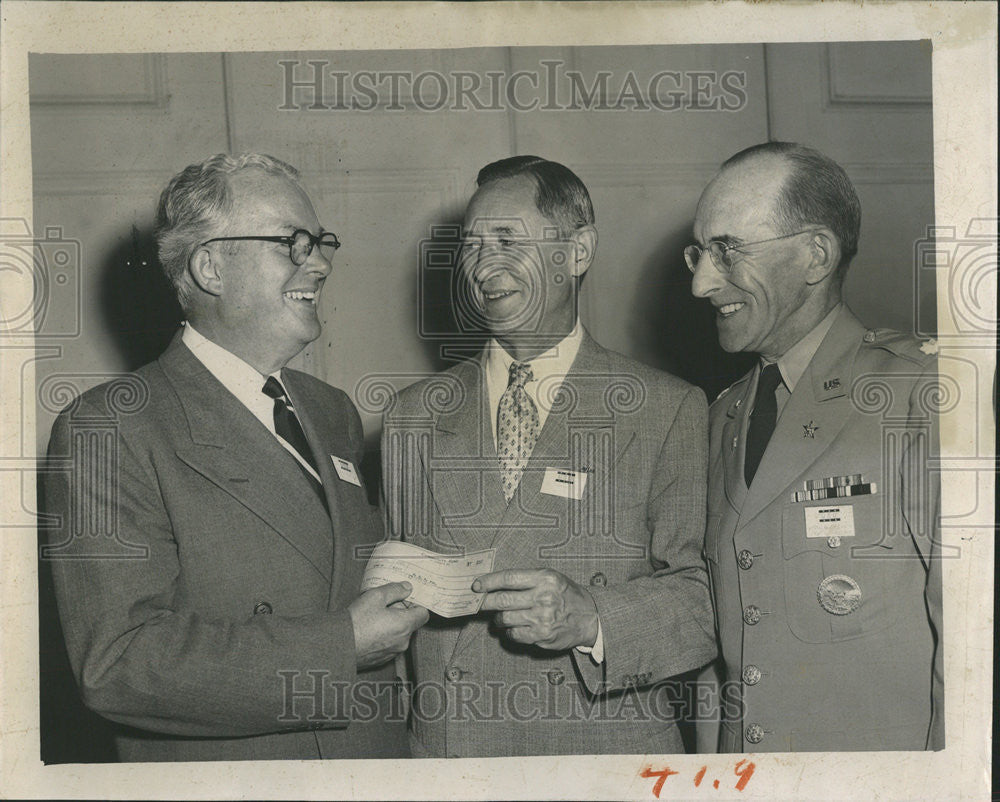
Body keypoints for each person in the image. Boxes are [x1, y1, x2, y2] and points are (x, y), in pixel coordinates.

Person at [42, 153, 428, 761]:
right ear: (211, 267)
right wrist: (341, 645)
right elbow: (116, 664)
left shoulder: (333, 412)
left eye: (322, 242)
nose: (321, 264)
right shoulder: (110, 425)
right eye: (291, 243)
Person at [382, 156, 716, 757]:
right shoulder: (412, 414)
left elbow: (705, 599)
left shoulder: (667, 409)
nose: (484, 265)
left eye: (508, 239)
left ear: (578, 251)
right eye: (472, 246)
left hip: (602, 756)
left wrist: (593, 619)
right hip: (452, 757)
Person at [689, 141, 943, 752]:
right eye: (698, 254)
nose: (700, 283)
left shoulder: (921, 397)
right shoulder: (719, 417)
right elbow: (718, 657)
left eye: (727, 251)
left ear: (816, 255)